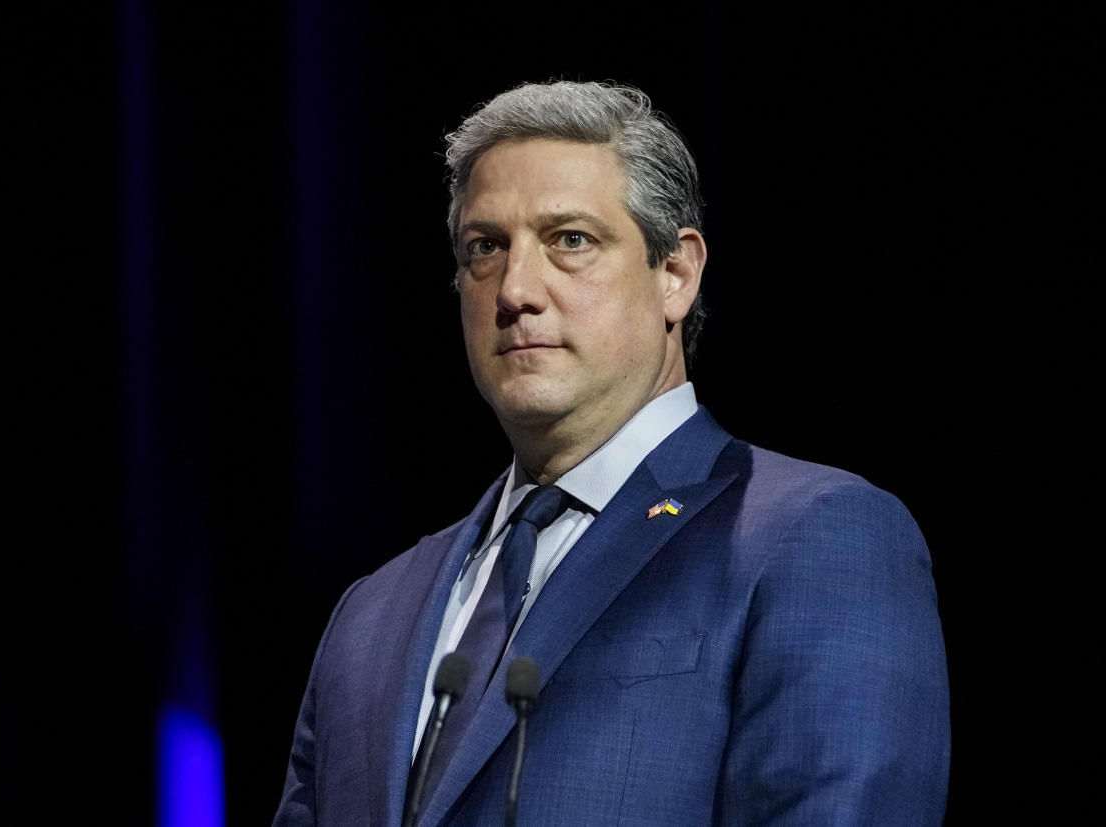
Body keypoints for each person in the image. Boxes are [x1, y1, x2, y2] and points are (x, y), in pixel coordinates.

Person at [272, 80, 950, 826]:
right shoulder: (371, 614)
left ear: (676, 274)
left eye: (570, 240)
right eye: (485, 247)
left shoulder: (816, 538)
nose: (516, 289)